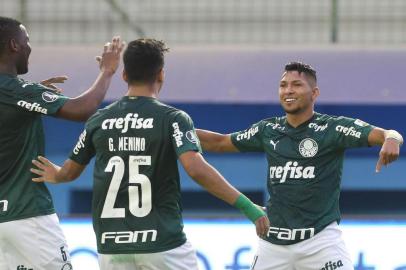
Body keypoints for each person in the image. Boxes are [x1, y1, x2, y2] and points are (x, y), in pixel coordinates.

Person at [30, 38, 269, 270]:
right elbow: (196, 168)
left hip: (112, 248)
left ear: (124, 75)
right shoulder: (172, 118)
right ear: (161, 74)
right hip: (164, 244)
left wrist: (56, 174)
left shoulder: (98, 120)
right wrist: (247, 206)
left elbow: (69, 172)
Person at [195, 61, 403, 270]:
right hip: (272, 244)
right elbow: (220, 142)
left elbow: (387, 133)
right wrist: (177, 130)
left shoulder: (333, 128)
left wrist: (392, 139)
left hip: (321, 242)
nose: (288, 90)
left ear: (314, 93)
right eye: (283, 85)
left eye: (296, 85)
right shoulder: (267, 130)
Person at [0, 16, 124, 269]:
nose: (29, 47)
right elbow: (81, 110)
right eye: (27, 41)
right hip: (26, 215)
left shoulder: (18, 93)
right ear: (14, 45)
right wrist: (107, 72)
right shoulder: (18, 92)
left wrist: (32, 94)